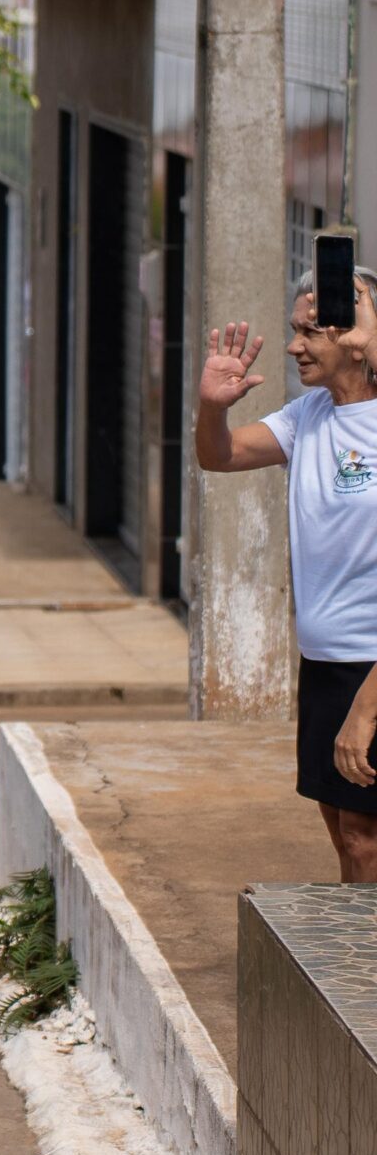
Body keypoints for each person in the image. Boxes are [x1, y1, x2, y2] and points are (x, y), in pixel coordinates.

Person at [197, 272, 377, 882]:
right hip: (325, 662)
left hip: (372, 665)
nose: (294, 345)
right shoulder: (308, 416)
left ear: (355, 335)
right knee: (343, 831)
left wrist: (366, 709)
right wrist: (211, 408)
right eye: (295, 330)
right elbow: (219, 455)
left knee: (364, 838)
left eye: (310, 331)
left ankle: (358, 949)